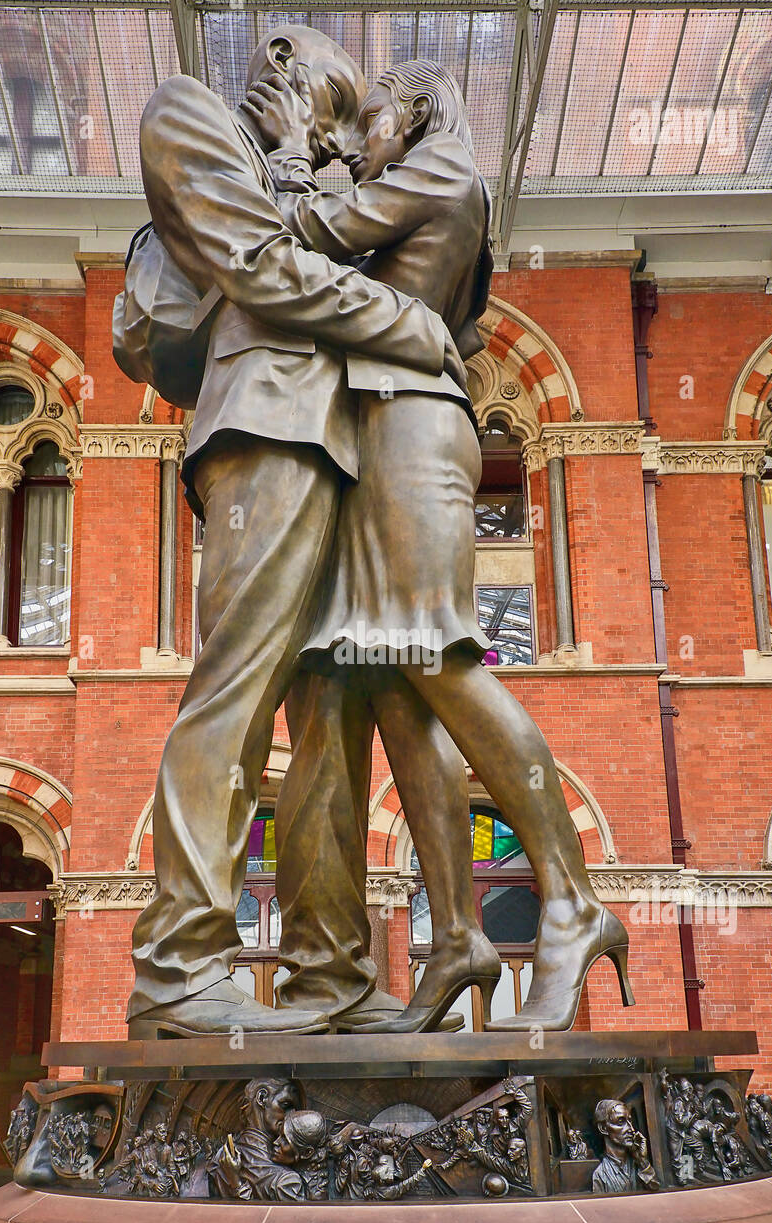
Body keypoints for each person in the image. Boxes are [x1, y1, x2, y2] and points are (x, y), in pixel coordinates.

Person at [254, 58, 632, 1032]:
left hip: (415, 424)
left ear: (412, 109)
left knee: (438, 655)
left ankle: (575, 902)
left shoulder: (442, 166)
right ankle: (460, 934)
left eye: (372, 118)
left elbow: (308, 236)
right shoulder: (426, 181)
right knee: (394, 682)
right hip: (379, 429)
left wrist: (294, 154)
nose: (362, 139)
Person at [122, 27, 468, 1039]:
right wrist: (413, 328)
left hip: (340, 451)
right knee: (235, 687)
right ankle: (179, 961)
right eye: (341, 115)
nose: (352, 148)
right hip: (261, 430)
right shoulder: (190, 115)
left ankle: (333, 974)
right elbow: (263, 272)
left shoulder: (307, 184)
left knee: (335, 719)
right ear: (292, 76)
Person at [591, 1100, 659, 1194]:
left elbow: (655, 1190)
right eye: (621, 1121)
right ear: (603, 1128)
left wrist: (642, 1160)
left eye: (630, 1121)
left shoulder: (638, 1166)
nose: (631, 1129)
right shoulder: (600, 1175)